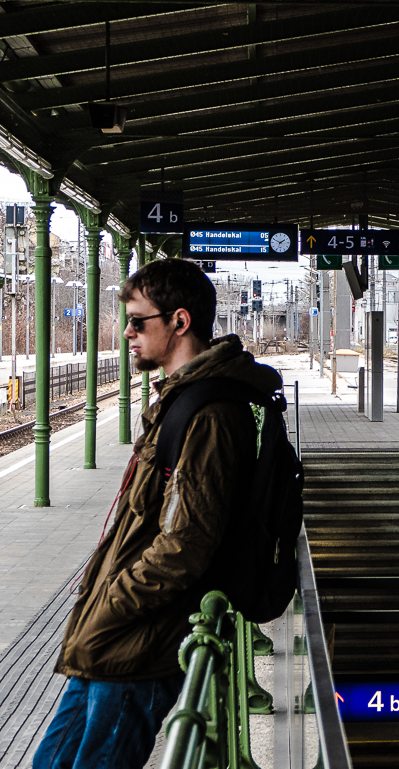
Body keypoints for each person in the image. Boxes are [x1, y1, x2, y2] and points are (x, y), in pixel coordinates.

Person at [34, 259, 283, 769]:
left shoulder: (210, 414)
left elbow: (184, 545)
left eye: (138, 322)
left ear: (180, 322)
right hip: (113, 638)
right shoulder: (183, 401)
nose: (126, 333)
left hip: (140, 644)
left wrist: (110, 606)